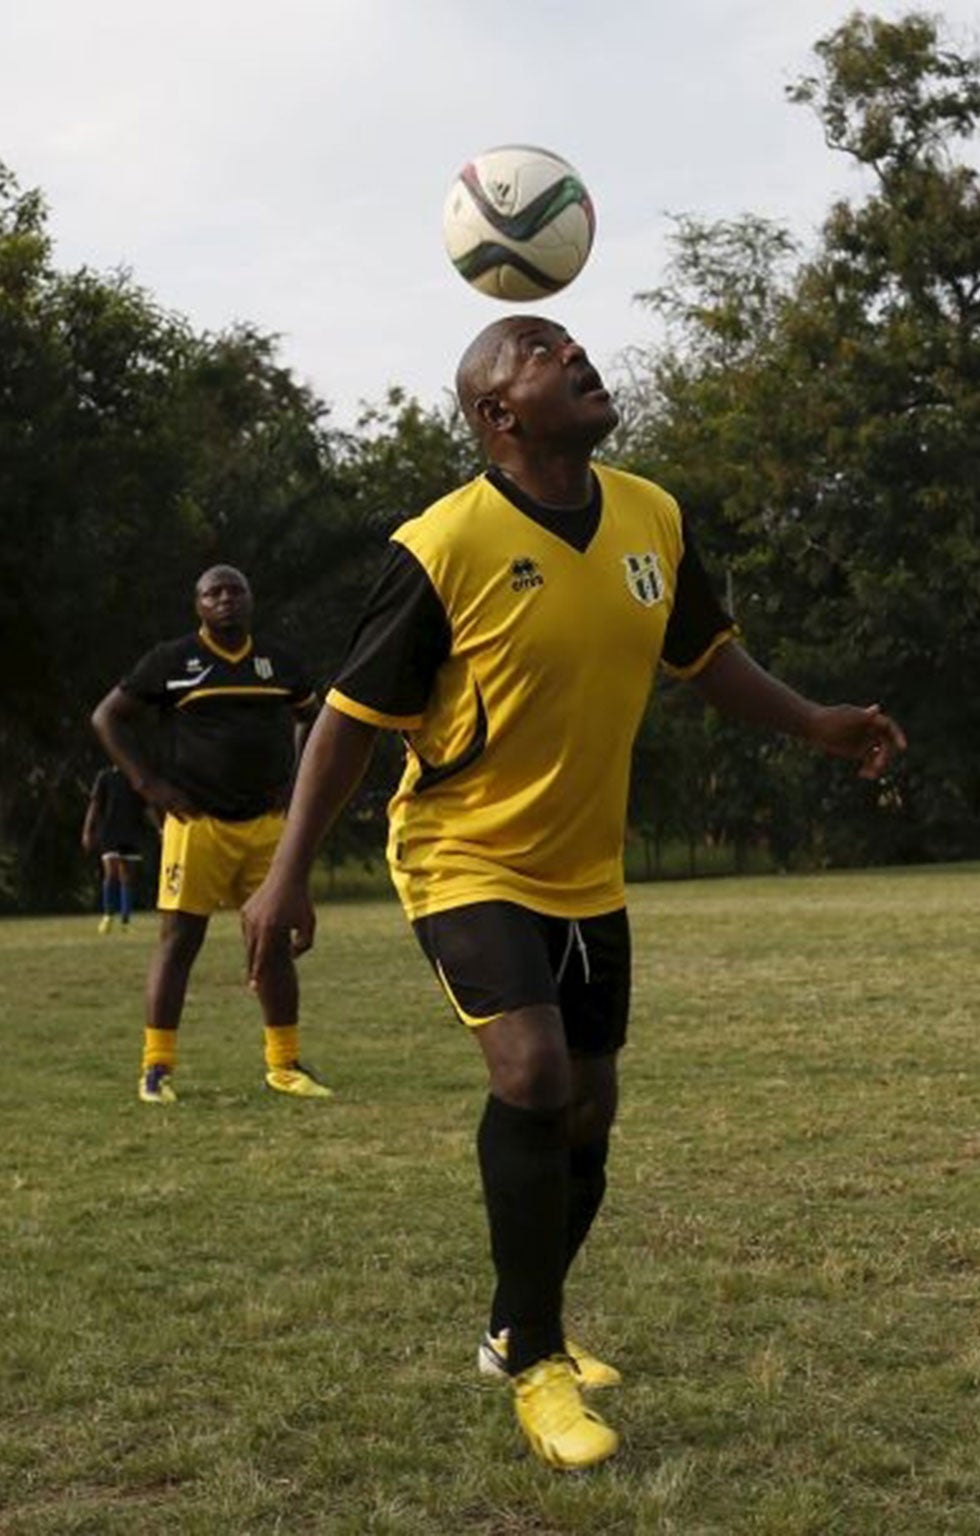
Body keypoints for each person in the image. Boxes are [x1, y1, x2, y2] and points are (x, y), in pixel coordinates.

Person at [240, 315, 907, 1472]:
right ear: (497, 416)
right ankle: (539, 1361)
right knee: (535, 1074)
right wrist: (287, 876)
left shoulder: (651, 513)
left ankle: (511, 1324)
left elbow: (705, 656)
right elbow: (349, 723)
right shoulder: (441, 545)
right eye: (537, 352)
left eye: (569, 343)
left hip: (584, 870)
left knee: (589, 1110)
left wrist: (814, 723)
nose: (571, 355)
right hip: (461, 853)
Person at [91, 565, 332, 1105]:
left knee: (270, 942)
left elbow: (315, 720)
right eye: (213, 592)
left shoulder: (278, 661)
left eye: (235, 590)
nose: (225, 599)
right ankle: (156, 1068)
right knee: (180, 943)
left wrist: (294, 783)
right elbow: (107, 717)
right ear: (197, 604)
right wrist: (147, 783)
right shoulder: (173, 661)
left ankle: (284, 1064)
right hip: (196, 825)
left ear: (250, 599)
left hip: (266, 826)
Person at [81, 761, 153, 932]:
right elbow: (95, 804)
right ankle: (107, 915)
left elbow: (146, 807)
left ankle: (125, 921)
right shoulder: (105, 776)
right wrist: (87, 831)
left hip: (130, 831)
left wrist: (159, 827)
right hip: (109, 831)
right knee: (111, 872)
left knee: (127, 876)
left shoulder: (135, 778)